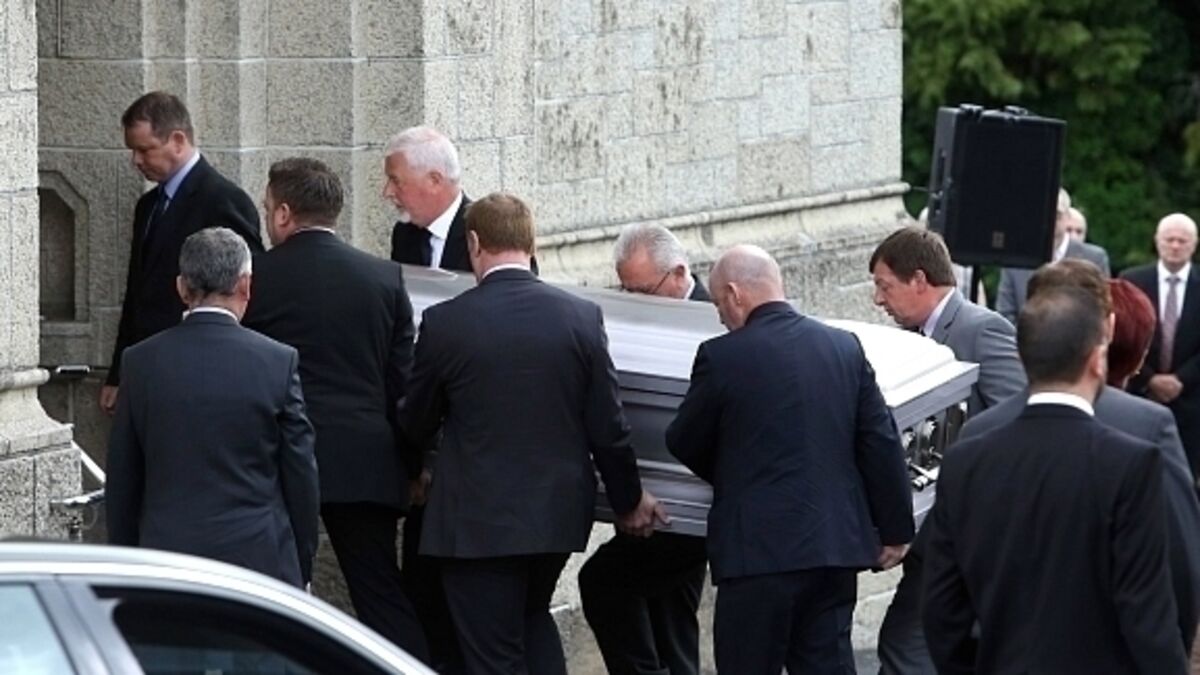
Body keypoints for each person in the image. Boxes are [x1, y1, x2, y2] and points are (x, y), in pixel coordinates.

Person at [401, 193, 666, 675]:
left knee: (492, 652)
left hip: (476, 521)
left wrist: (412, 469)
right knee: (533, 619)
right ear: (532, 243)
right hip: (555, 515)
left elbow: (415, 420)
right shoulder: (581, 317)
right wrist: (628, 498)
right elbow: (608, 425)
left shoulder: (446, 323)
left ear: (474, 242)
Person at [666, 245, 913, 675]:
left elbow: (683, 439)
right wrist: (895, 530)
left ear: (734, 293)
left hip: (757, 554)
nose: (721, 317)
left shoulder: (721, 357)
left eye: (720, 305)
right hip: (833, 548)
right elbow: (880, 442)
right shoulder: (843, 347)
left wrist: (735, 471)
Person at [923, 284, 1187, 673]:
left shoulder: (965, 461)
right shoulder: (1130, 464)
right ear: (1097, 360)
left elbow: (941, 607)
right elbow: (1147, 612)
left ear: (1022, 357)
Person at [241, 158, 427, 660]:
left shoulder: (256, 278)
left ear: (283, 213)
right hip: (365, 461)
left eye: (267, 207)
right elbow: (403, 386)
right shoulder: (384, 278)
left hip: (275, 460)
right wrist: (413, 466)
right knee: (380, 592)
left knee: (271, 593)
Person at [105, 227, 318, 588]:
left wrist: (127, 566)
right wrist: (302, 562)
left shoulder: (140, 362)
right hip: (257, 560)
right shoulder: (277, 362)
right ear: (245, 285)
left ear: (181, 288)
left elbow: (123, 478)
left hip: (166, 560)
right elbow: (300, 474)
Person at [869, 226, 1026, 674]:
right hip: (937, 536)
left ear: (919, 279)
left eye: (884, 286)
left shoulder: (983, 329)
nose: (878, 300)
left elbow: (1017, 421)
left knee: (905, 646)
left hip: (972, 536)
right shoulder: (910, 336)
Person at [579, 223, 708, 675]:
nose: (633, 300)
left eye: (642, 290)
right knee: (671, 614)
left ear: (679, 273)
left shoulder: (713, 321)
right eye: (625, 290)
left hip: (688, 502)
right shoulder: (648, 313)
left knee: (603, 582)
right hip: (649, 491)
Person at [100, 91, 262, 415]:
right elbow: (136, 293)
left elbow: (246, 291)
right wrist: (119, 372)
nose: (136, 161)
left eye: (145, 149)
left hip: (201, 372)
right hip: (147, 370)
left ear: (177, 140)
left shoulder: (223, 200)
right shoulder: (148, 206)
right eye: (133, 150)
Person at [1122, 213, 1200, 478]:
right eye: (1169, 239)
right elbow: (1124, 334)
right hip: (1141, 393)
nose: (1175, 246)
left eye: (1182, 240)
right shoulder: (1132, 281)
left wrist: (1181, 379)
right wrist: (1150, 378)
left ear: (1194, 244)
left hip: (1192, 400)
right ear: (1157, 241)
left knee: (1184, 479)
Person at [995, 188, 1110, 324]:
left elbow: (1103, 313)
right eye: (1040, 214)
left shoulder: (1093, 258)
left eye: (1056, 215)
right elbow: (1005, 315)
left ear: (1067, 217)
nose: (1048, 220)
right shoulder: (1015, 260)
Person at [384, 126, 473, 272]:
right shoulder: (404, 234)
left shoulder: (484, 236)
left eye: (396, 181)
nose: (387, 192)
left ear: (434, 181)